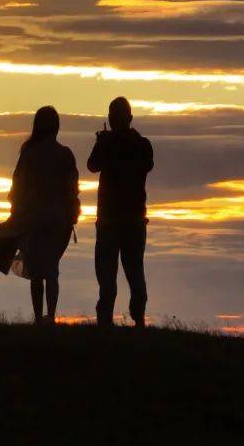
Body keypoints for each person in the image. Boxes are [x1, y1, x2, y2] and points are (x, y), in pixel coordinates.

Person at [8, 106, 80, 324]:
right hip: (58, 220)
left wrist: (15, 216)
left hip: (33, 219)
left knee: (36, 270)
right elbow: (73, 188)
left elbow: (17, 187)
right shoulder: (65, 154)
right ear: (56, 127)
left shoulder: (29, 153)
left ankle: (39, 316)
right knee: (51, 268)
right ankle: (51, 314)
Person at [87, 97, 155, 327]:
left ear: (110, 119)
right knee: (135, 270)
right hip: (135, 218)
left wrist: (101, 142)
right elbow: (148, 164)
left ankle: (105, 319)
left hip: (109, 218)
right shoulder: (143, 145)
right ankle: (139, 319)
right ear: (131, 119)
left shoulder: (107, 144)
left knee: (107, 273)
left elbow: (92, 165)